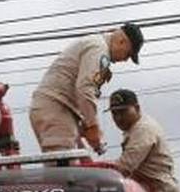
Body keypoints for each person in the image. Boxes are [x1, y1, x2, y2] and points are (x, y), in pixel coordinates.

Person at [29, 23, 144, 154]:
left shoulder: (96, 45)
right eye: (128, 54)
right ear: (122, 41)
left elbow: (81, 91)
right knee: (64, 168)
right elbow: (85, 88)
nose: (125, 60)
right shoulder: (99, 50)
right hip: (56, 107)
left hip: (58, 108)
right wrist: (92, 126)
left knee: (80, 163)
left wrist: (86, 125)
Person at [106, 89, 180, 192]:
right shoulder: (135, 129)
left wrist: (89, 173)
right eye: (114, 113)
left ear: (137, 108)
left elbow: (123, 167)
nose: (118, 118)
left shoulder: (143, 129)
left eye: (123, 112)